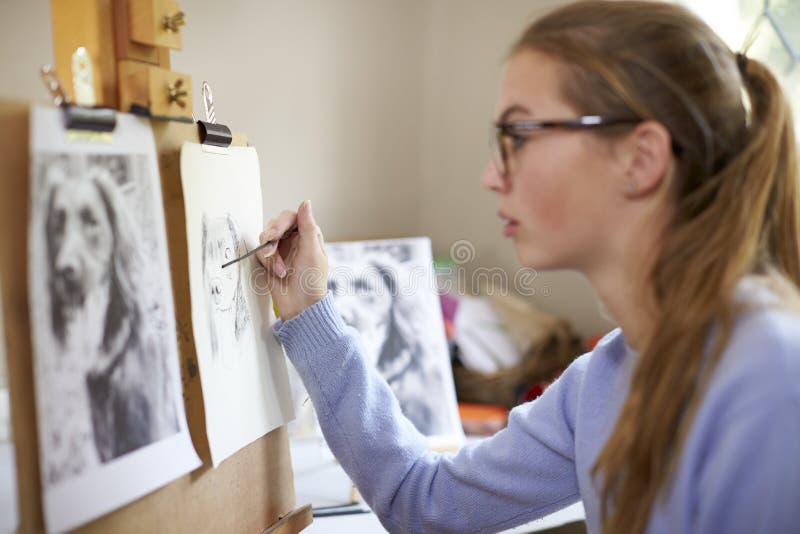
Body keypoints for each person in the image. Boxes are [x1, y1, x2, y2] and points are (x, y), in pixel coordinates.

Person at [257, 1, 800, 532]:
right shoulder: (603, 382)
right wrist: (309, 309)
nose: (490, 176)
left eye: (517, 136)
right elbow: (423, 501)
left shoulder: (771, 377)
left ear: (641, 160)